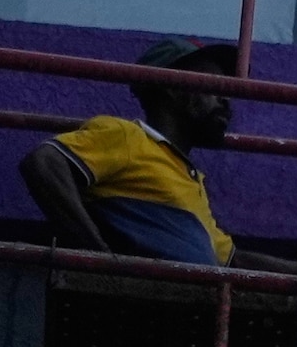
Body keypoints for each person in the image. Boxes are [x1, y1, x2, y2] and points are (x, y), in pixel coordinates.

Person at [22, 37, 242, 269]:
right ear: (173, 87)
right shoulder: (129, 136)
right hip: (136, 299)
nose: (226, 99)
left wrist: (286, 275)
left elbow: (233, 261)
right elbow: (44, 162)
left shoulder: (190, 178)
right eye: (213, 85)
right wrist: (98, 258)